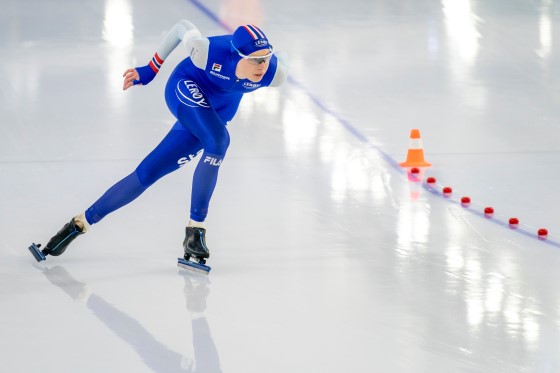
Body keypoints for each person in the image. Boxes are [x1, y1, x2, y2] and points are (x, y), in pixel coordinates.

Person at [30, 20, 288, 265]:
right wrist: (150, 69)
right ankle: (195, 232)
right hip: (186, 86)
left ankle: (76, 226)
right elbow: (181, 28)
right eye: (254, 60)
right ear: (235, 55)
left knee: (148, 172)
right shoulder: (208, 51)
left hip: (218, 109)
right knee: (219, 140)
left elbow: (269, 67)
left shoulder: (274, 74)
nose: (262, 66)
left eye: (265, 58)